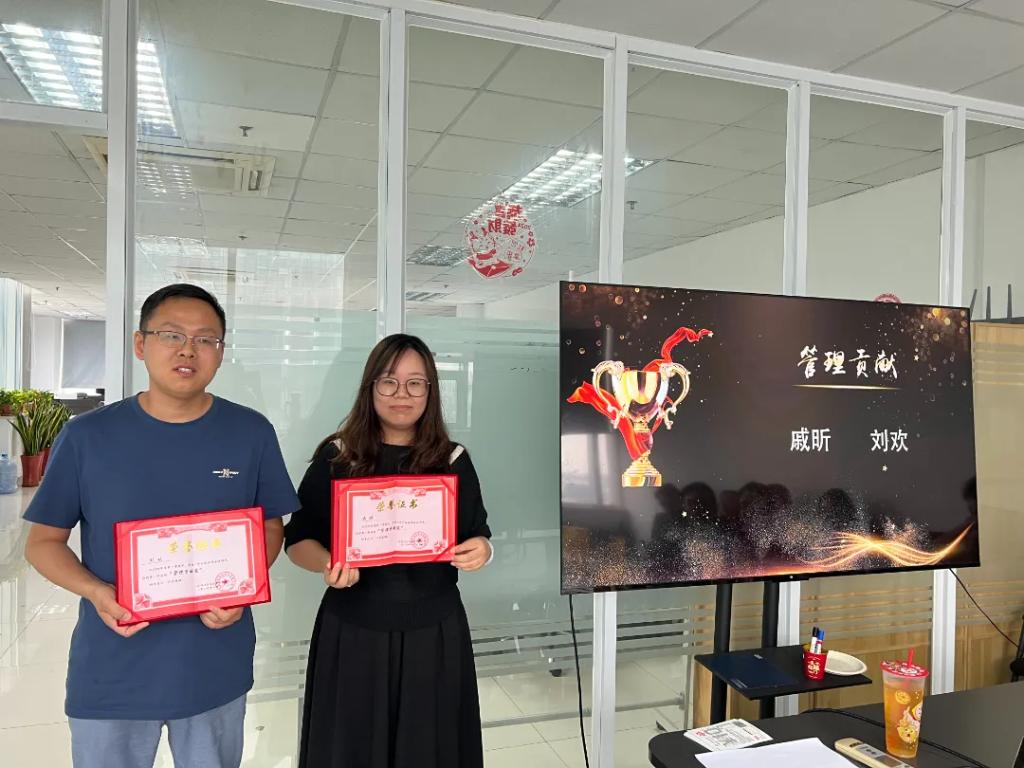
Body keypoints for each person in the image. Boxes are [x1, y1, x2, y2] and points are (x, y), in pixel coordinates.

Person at [23, 284, 299, 768]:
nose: (188, 350)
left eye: (206, 339)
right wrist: (97, 592)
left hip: (214, 664)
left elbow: (270, 526)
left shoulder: (250, 432)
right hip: (114, 667)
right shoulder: (87, 436)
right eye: (172, 335)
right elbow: (43, 542)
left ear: (220, 352)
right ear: (140, 343)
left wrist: (241, 590)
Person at [285, 333, 493, 768]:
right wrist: (328, 563)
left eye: (415, 383)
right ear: (370, 387)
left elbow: (478, 534)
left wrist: (481, 550)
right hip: (355, 630)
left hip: (433, 630)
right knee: (352, 750)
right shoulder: (338, 456)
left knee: (430, 748)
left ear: (431, 391)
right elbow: (297, 540)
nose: (402, 394)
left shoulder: (452, 459)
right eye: (389, 381)